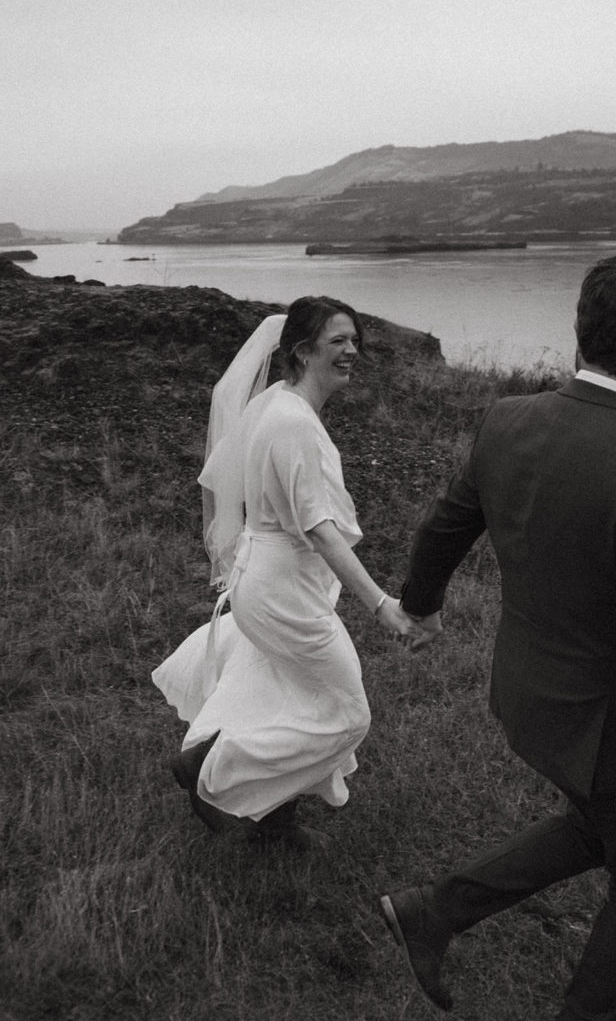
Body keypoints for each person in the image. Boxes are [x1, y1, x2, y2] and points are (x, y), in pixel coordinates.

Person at [379, 255, 616, 1019]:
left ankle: (433, 911)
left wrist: (421, 603)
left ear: (578, 327)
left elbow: (443, 524)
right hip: (612, 728)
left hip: (528, 697)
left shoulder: (508, 420)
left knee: (606, 826)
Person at [153, 296, 419, 850]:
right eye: (337, 341)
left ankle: (274, 822)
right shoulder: (292, 422)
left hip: (265, 578)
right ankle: (211, 772)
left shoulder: (275, 403)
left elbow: (219, 481)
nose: (352, 351)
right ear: (301, 351)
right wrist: (381, 605)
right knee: (347, 714)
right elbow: (320, 529)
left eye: (354, 340)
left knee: (283, 696)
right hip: (281, 592)